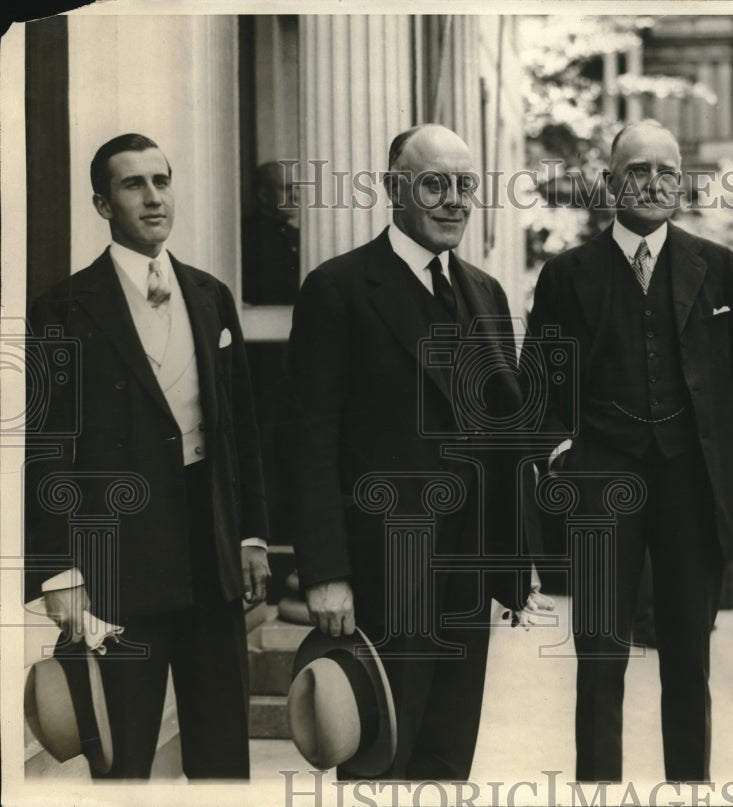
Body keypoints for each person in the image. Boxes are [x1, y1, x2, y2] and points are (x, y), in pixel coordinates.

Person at [287, 123, 551, 781]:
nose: (455, 200)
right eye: (435, 183)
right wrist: (326, 571)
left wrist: (513, 567)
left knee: (446, 760)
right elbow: (306, 441)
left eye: (466, 185)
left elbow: (503, 436)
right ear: (393, 189)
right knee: (381, 757)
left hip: (469, 577)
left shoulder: (486, 293)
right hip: (383, 573)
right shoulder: (339, 289)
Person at [24, 133, 271, 779]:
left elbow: (242, 429)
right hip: (118, 564)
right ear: (103, 204)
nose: (153, 197)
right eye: (133, 184)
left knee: (222, 753)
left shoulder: (210, 294)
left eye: (161, 180)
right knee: (123, 753)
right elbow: (47, 448)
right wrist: (60, 574)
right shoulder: (63, 308)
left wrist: (249, 532)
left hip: (210, 554)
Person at [526, 120, 733, 782]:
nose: (653, 182)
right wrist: (562, 451)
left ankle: (690, 790)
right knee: (599, 661)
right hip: (602, 481)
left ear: (679, 182)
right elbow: (539, 376)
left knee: (690, 659)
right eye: (637, 170)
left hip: (693, 480)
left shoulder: (717, 266)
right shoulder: (568, 273)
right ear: (609, 182)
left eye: (666, 171)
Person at [241, 161, 301, 305]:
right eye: (286, 188)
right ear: (264, 195)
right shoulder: (245, 235)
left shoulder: (296, 235)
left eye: (297, 188)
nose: (295, 196)